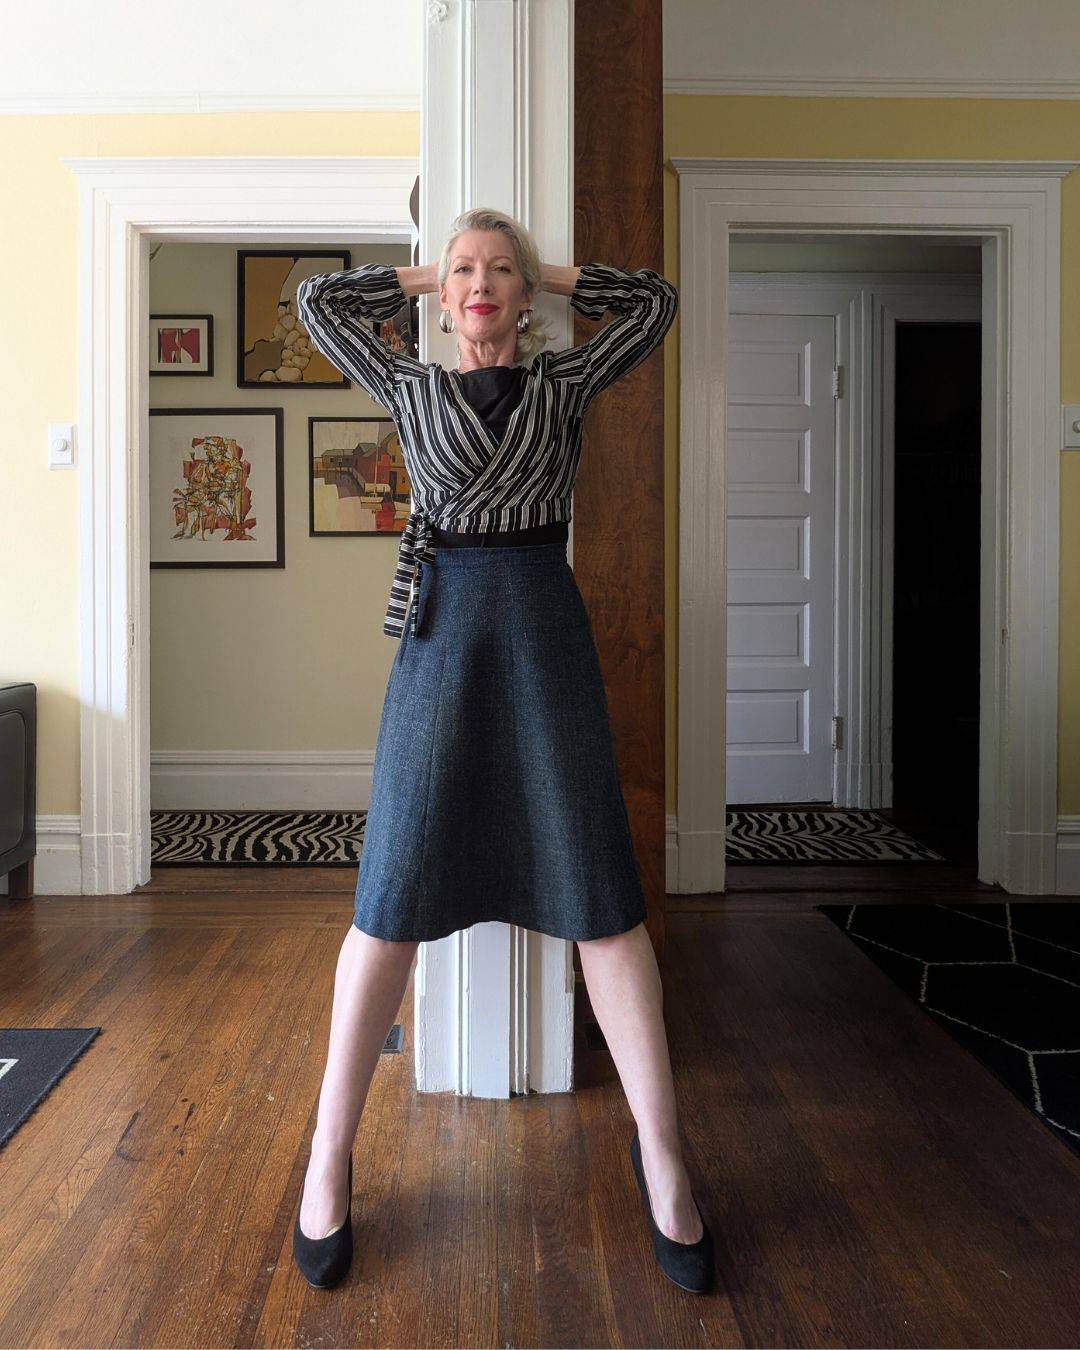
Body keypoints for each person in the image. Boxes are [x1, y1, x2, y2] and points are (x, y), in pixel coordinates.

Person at [289, 208, 713, 1295]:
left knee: (602, 903)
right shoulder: (411, 388)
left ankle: (663, 1155)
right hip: (440, 646)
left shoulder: (566, 383)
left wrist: (538, 268)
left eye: (502, 273)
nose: (480, 285)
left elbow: (656, 303)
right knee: (387, 903)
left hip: (542, 641)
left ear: (531, 298)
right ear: (440, 296)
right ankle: (328, 1155)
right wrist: (436, 265)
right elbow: (318, 303)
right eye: (465, 274)